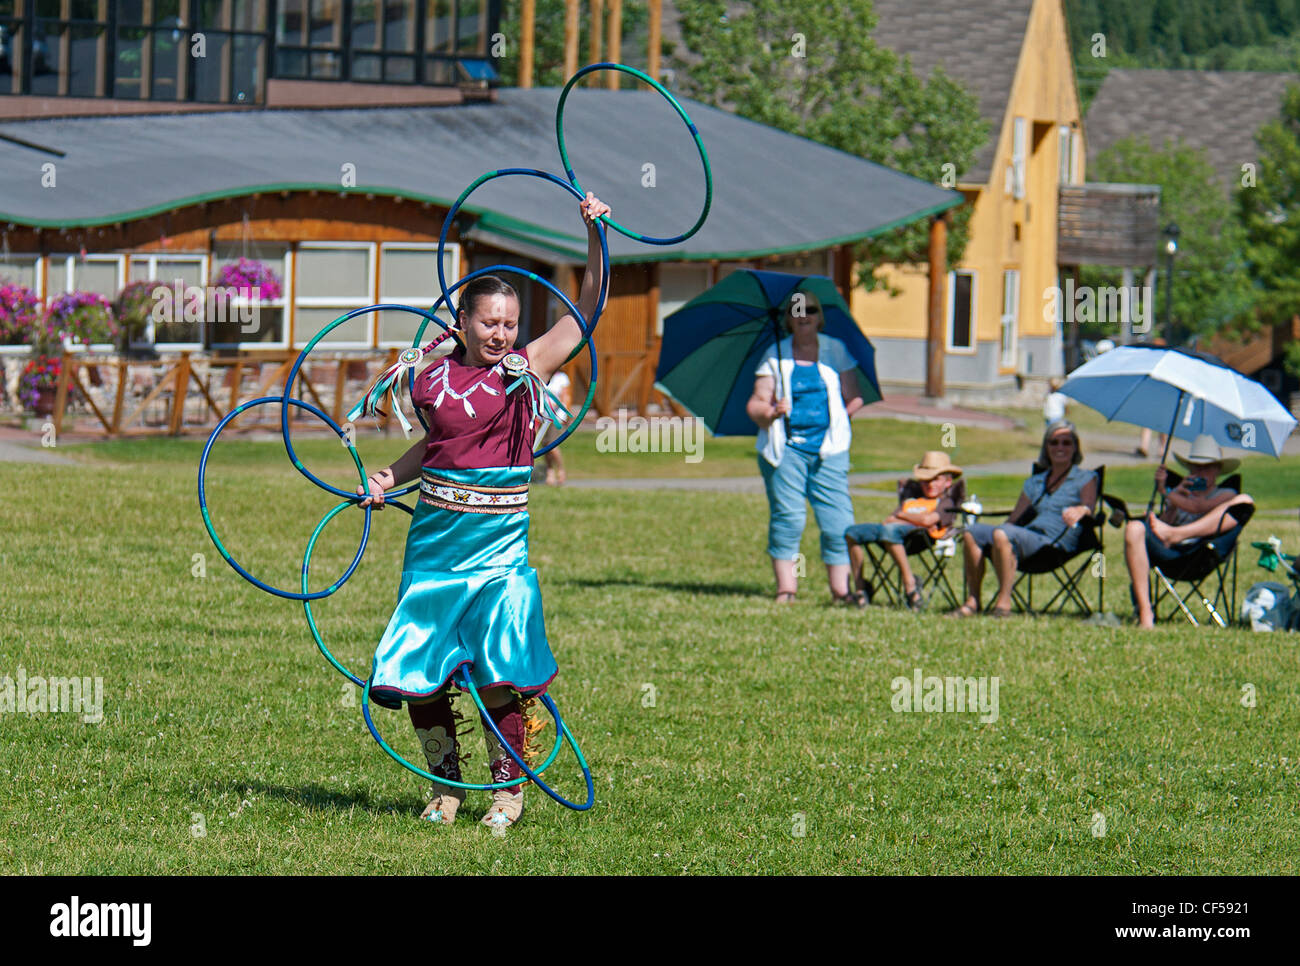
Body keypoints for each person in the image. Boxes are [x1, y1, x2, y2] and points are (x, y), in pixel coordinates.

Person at [355, 192, 610, 829]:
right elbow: (438, 446)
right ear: (463, 319)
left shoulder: (521, 372)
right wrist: (391, 474)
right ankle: (445, 786)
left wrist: (593, 237)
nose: (501, 334)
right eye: (489, 322)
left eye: (509, 324)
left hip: (499, 547)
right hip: (437, 543)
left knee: (498, 672)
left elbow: (582, 318)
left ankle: (508, 791)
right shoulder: (430, 377)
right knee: (423, 674)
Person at [745, 292, 865, 603]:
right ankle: (787, 589)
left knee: (838, 521)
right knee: (790, 518)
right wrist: (772, 411)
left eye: (809, 309)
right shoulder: (775, 355)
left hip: (830, 449)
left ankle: (841, 592)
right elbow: (755, 406)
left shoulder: (835, 350)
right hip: (786, 450)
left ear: (819, 316)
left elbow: (855, 397)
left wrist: (838, 417)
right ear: (787, 318)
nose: (803, 315)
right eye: (795, 310)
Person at [952, 420, 1098, 617]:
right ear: (1046, 447)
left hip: (1054, 543)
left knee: (1002, 534)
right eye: (1054, 442)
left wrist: (1081, 510)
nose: (1060, 447)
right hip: (1028, 536)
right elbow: (1014, 518)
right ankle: (973, 601)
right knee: (972, 533)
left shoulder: (1085, 478)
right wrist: (994, 535)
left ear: (1075, 448)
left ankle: (1003, 603)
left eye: (1066, 442)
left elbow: (1089, 507)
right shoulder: (1035, 482)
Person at [1123, 434, 1254, 628]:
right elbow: (1162, 526)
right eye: (1196, 466)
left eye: (1207, 467)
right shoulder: (1180, 493)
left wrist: (1168, 493)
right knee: (1134, 528)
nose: (1201, 471)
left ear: (1218, 469)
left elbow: (1200, 507)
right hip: (1170, 553)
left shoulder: (1226, 494)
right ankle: (1145, 612)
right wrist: (1173, 504)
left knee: (1245, 500)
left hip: (1200, 554)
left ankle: (1178, 534)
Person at [844, 451, 963, 610]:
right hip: (893, 534)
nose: (930, 484)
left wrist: (903, 516)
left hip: (918, 540)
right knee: (852, 533)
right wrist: (914, 518)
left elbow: (928, 520)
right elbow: (888, 520)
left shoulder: (946, 502)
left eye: (935, 479)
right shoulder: (911, 499)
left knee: (889, 532)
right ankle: (861, 588)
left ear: (948, 482)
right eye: (925, 480)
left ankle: (910, 585)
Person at [540, 368, 572, 485]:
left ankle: (560, 470)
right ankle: (549, 472)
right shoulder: (543, 375)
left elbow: (565, 397)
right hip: (543, 417)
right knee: (544, 446)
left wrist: (564, 413)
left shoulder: (561, 378)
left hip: (556, 417)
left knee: (552, 445)